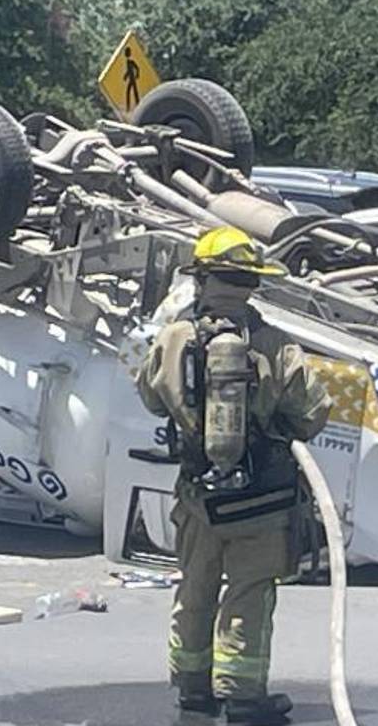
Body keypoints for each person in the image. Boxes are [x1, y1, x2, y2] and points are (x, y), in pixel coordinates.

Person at [136, 226, 331, 724]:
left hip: (199, 495)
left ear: (201, 279)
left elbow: (150, 397)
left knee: (195, 588)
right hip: (261, 503)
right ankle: (244, 698)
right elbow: (313, 413)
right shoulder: (275, 344)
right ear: (251, 283)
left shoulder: (174, 336)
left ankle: (193, 691)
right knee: (249, 594)